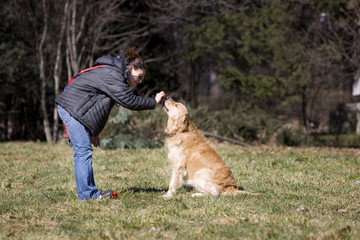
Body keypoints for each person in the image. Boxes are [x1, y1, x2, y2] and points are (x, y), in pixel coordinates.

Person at [56, 47, 166, 200]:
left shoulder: (114, 74)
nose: (139, 82)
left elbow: (98, 105)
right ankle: (89, 195)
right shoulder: (113, 74)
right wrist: (153, 102)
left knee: (83, 150)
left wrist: (94, 132)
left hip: (75, 109)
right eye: (139, 76)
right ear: (132, 68)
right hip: (71, 108)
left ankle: (89, 194)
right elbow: (129, 101)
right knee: (83, 151)